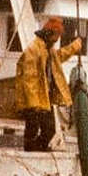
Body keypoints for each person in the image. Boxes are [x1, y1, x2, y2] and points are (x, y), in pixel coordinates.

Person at [15, 17, 82, 152]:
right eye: (57, 36)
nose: (57, 39)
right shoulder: (33, 49)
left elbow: (60, 56)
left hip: (44, 99)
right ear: (51, 33)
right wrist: (33, 104)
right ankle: (31, 151)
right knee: (32, 130)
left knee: (49, 130)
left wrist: (74, 47)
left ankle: (38, 150)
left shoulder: (47, 48)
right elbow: (29, 79)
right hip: (35, 101)